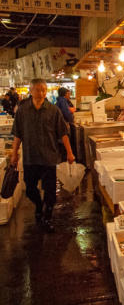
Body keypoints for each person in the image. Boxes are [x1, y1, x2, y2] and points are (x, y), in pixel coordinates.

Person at [11, 79, 75, 233]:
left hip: (49, 157)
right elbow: (17, 135)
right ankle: (39, 206)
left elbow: (63, 133)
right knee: (30, 188)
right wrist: (14, 154)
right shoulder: (23, 110)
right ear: (31, 91)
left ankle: (47, 216)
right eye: (37, 89)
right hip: (30, 157)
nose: (41, 93)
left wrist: (70, 152)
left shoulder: (53, 110)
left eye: (43, 90)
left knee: (50, 191)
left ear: (46, 91)